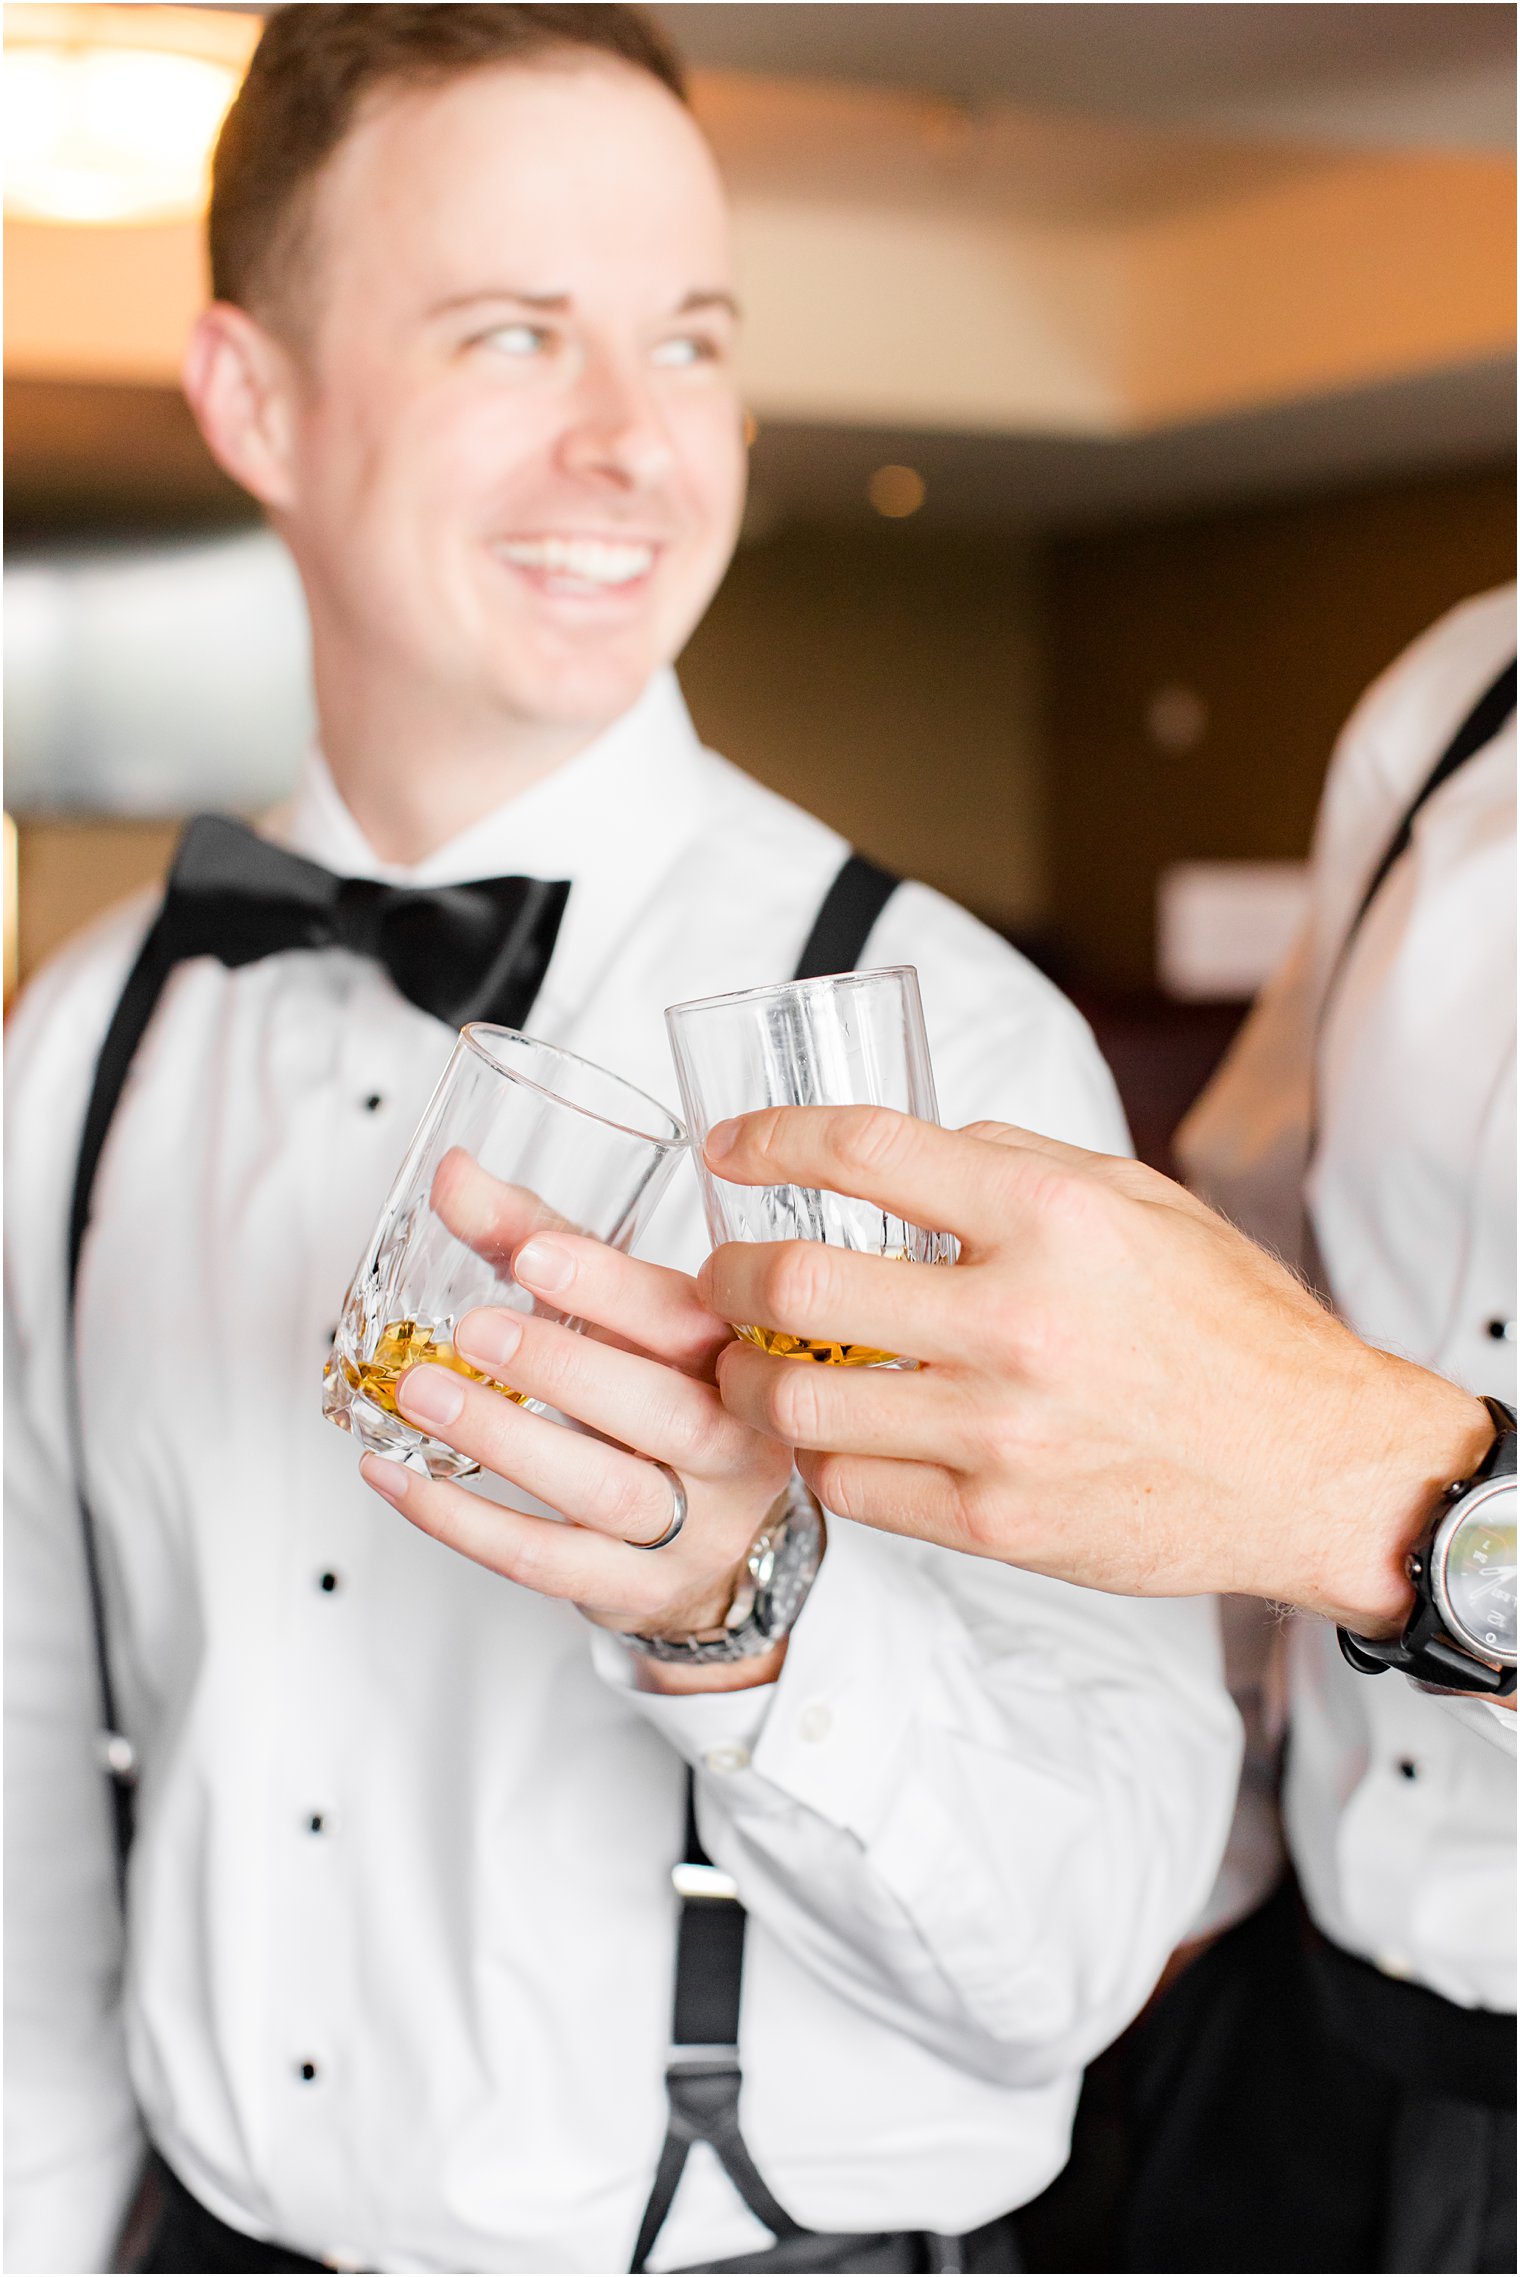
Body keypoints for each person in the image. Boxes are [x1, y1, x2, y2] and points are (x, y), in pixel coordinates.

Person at [3, 10, 1242, 2273]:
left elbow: (1085, 1931)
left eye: (687, 341)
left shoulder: (941, 1040)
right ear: (251, 399)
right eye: (510, 331)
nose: (629, 443)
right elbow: (19, 1761)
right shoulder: (91, 1033)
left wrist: (735, 1605)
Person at [699, 587, 1516, 2271]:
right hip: (1290, 2039)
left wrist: (1394, 1503)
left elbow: (1286, 1427)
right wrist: (1156, 1886)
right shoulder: (1452, 694)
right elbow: (1263, 1239)